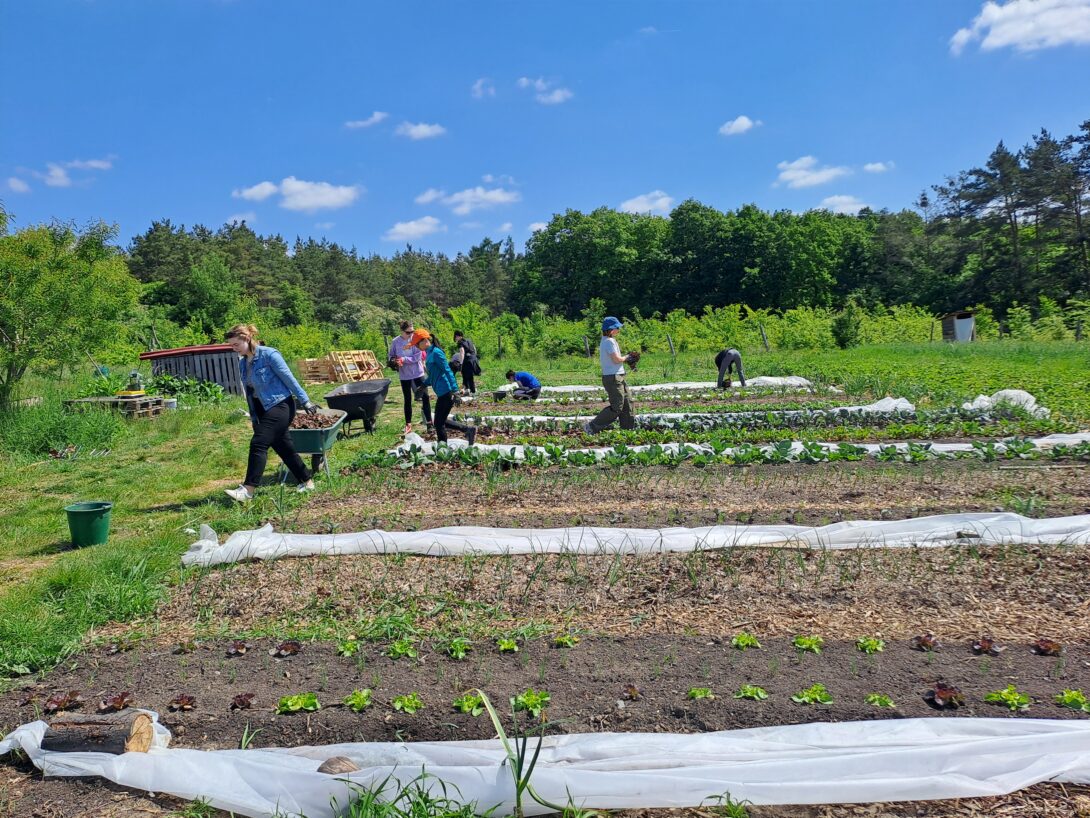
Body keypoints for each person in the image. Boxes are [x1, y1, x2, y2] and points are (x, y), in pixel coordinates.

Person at [223, 323, 318, 503]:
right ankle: (307, 481)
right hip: (261, 409)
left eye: (235, 344)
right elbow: (250, 392)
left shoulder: (269, 355)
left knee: (258, 443)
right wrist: (254, 416)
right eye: (231, 345)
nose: (233, 348)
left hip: (280, 405)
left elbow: (289, 378)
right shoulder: (243, 363)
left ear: (246, 338)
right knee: (284, 447)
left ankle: (248, 490)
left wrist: (305, 400)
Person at [412, 328, 477, 446]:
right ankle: (467, 430)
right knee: (439, 421)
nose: (416, 346)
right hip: (441, 393)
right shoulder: (429, 353)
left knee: (438, 423)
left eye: (416, 344)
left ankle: (443, 448)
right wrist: (423, 386)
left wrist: (456, 391)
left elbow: (448, 371)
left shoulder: (436, 352)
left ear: (424, 340)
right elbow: (433, 375)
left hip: (447, 392)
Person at [584, 316, 636, 434]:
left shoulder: (607, 341)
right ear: (611, 329)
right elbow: (617, 359)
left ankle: (628, 430)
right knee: (617, 407)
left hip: (618, 376)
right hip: (613, 377)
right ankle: (592, 426)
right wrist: (627, 357)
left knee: (627, 403)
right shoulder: (609, 342)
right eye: (617, 327)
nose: (619, 330)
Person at [389, 320, 433, 435]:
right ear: (402, 331)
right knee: (407, 399)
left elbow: (417, 357)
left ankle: (429, 422)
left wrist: (404, 360)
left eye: (412, 331)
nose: (411, 334)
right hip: (404, 375)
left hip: (418, 373)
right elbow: (391, 355)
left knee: (425, 397)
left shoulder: (415, 340)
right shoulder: (395, 342)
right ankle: (408, 424)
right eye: (408, 332)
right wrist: (394, 361)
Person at [453, 330, 481, 395]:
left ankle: (473, 392)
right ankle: (468, 390)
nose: (456, 339)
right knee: (468, 376)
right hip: (474, 359)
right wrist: (474, 356)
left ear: (457, 336)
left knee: (468, 376)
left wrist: (460, 364)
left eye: (455, 337)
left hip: (467, 361)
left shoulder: (460, 343)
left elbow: (462, 353)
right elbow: (474, 348)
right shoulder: (469, 340)